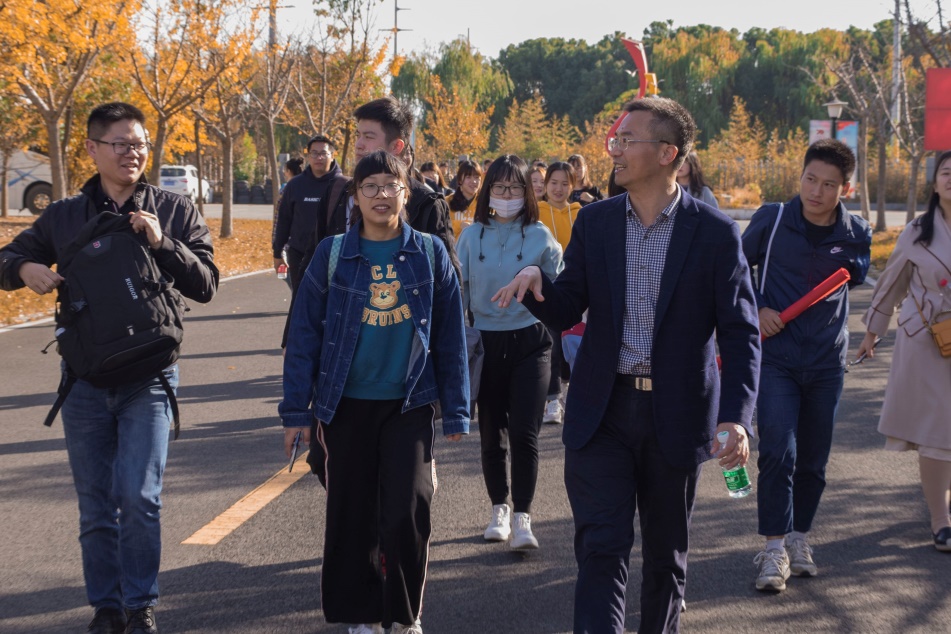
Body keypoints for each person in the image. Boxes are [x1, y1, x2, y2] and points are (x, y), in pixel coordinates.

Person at [493, 97, 761, 633]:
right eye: (614, 139)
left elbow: (741, 331)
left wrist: (737, 417)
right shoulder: (596, 222)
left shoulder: (715, 233)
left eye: (626, 139)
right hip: (603, 410)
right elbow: (568, 304)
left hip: (676, 415)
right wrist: (536, 284)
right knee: (601, 548)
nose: (613, 149)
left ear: (667, 153)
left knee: (665, 558)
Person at [0, 102, 218, 634]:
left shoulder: (173, 208)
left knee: (139, 498)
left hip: (151, 377)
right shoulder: (64, 215)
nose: (132, 153)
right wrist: (25, 267)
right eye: (120, 144)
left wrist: (162, 242)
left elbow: (206, 283)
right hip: (85, 381)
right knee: (96, 506)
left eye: (139, 144)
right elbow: (6, 259)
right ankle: (107, 607)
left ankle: (140, 605)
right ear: (93, 149)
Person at [280, 150, 469, 634]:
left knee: (408, 508)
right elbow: (303, 334)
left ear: (407, 193)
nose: (381, 194)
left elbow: (451, 335)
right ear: (355, 196)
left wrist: (457, 409)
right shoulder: (332, 254)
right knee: (352, 513)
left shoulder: (429, 253)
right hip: (344, 405)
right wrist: (295, 412)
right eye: (370, 186)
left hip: (410, 403)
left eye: (391, 185)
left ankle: (405, 616)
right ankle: (360, 616)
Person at [741, 138, 871, 592]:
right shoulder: (773, 219)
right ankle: (773, 548)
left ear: (845, 188)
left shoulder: (856, 233)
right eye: (810, 179)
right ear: (800, 176)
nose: (816, 191)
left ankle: (799, 539)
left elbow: (855, 276)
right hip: (776, 359)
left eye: (828, 184)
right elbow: (734, 271)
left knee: (814, 460)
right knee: (779, 451)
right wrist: (759, 307)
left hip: (826, 363)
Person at [455, 155, 563, 551]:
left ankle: (523, 517)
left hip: (531, 342)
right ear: (488, 192)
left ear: (526, 192)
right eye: (499, 188)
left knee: (524, 431)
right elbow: (459, 293)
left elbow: (562, 288)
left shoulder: (540, 235)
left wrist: (541, 281)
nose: (506, 194)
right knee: (491, 432)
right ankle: (499, 508)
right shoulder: (470, 237)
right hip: (485, 343)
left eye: (514, 187)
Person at [857, 150, 951, 552]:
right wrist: (872, 333)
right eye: (946, 172)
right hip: (926, 340)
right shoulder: (917, 230)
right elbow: (892, 283)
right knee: (937, 431)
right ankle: (940, 520)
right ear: (935, 182)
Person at [316, 98, 458, 275]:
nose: (358, 145)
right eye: (358, 135)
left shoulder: (427, 205)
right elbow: (313, 265)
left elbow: (447, 278)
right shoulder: (337, 193)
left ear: (396, 146)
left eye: (368, 137)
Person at [536, 161, 582, 425]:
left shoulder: (581, 214)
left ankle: (572, 393)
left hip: (577, 287)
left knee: (574, 344)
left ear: (572, 186)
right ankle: (553, 399)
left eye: (565, 183)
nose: (558, 188)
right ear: (545, 185)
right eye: (554, 182)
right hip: (546, 286)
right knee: (551, 344)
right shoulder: (536, 213)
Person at [272, 134, 346, 295]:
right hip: (299, 254)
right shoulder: (295, 185)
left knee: (330, 301)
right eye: (314, 153)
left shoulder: (343, 185)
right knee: (300, 300)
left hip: (334, 256)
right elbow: (283, 220)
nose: (319, 157)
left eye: (323, 153)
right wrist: (277, 253)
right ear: (308, 156)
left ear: (332, 155)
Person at [446, 160, 482, 239]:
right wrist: (460, 225)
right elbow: (441, 226)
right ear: (460, 180)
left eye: (477, 177)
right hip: (453, 246)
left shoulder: (485, 203)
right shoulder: (447, 201)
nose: (474, 181)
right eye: (468, 177)